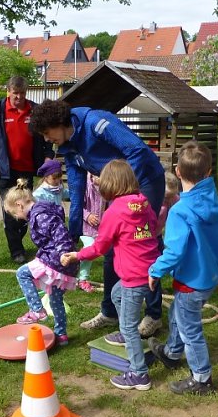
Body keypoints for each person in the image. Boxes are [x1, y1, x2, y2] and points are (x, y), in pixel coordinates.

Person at [28, 99, 165, 335]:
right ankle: (110, 311)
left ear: (59, 123)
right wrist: (73, 232)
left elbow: (137, 151)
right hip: (121, 189)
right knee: (111, 248)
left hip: (145, 179)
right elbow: (77, 188)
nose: (47, 139)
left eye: (47, 133)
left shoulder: (96, 123)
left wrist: (129, 195)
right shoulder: (68, 146)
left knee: (143, 243)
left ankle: (153, 315)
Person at [61, 160, 160, 390]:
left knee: (129, 326)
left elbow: (99, 247)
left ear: (110, 184)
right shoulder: (144, 203)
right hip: (149, 272)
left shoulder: (114, 211)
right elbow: (154, 228)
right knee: (116, 295)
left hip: (134, 277)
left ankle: (139, 374)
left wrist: (76, 255)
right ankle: (127, 331)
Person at [147, 141, 218, 395]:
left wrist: (155, 270)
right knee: (178, 313)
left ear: (177, 171)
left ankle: (202, 378)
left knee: (189, 329)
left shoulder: (180, 211)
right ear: (209, 172)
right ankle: (172, 353)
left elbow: (174, 251)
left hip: (190, 283)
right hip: (209, 279)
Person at [0, 76, 52, 264]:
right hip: (5, 171)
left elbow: (47, 136)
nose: (19, 97)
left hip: (27, 170)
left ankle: (18, 242)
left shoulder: (34, 110)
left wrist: (48, 155)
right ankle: (16, 251)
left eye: (22, 93)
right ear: (8, 92)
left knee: (26, 210)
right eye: (15, 93)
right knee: (10, 212)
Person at [3, 179, 78, 346]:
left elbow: (60, 233)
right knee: (55, 298)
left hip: (57, 259)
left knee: (22, 273)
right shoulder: (41, 211)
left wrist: (64, 253)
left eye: (15, 213)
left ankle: (36, 310)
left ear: (19, 205)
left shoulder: (40, 216)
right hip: (61, 260)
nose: (17, 217)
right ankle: (61, 335)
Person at [77, 172, 103, 293]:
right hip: (85, 228)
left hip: (102, 227)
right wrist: (88, 216)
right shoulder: (85, 185)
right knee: (90, 248)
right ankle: (82, 279)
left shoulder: (107, 185)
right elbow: (76, 205)